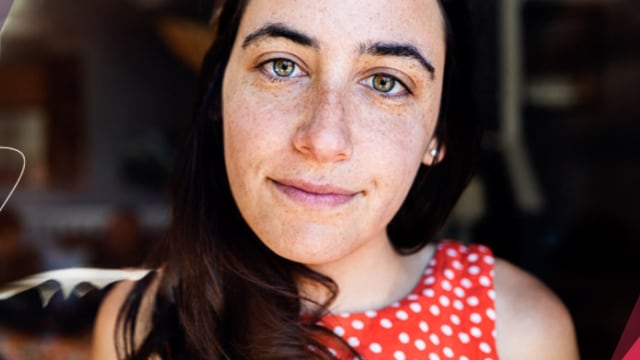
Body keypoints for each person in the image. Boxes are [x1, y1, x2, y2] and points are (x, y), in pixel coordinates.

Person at [92, 0, 579, 359]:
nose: (324, 138)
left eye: (386, 82)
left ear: (438, 133)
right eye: (282, 66)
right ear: (220, 95)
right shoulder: (141, 324)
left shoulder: (518, 331)